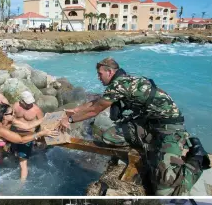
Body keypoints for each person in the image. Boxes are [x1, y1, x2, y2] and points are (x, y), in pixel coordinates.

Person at [58, 57, 210, 196]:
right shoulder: (124, 79)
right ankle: (150, 144)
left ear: (110, 72)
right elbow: (98, 101)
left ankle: (197, 157)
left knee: (165, 189)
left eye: (100, 74)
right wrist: (77, 110)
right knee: (109, 136)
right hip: (148, 122)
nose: (98, 77)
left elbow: (95, 109)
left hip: (169, 127)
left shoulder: (119, 84)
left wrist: (70, 120)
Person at [0, 103, 58, 196]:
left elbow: (27, 125)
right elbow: (21, 140)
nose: (14, 114)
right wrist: (40, 134)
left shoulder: (8, 120)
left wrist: (45, 118)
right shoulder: (0, 129)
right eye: (11, 113)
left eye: (13, 112)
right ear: (4, 116)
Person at [11, 91, 44, 181]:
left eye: (31, 102)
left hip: (27, 136)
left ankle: (22, 183)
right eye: (28, 103)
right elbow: (10, 118)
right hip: (15, 134)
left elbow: (43, 123)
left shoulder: (36, 109)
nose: (31, 104)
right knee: (14, 154)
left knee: (23, 162)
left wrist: (41, 137)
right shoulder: (15, 106)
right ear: (21, 101)